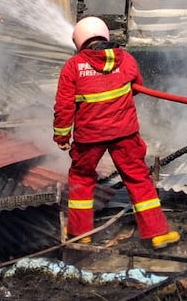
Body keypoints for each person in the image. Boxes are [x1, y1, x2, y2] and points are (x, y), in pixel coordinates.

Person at [53, 16, 180, 249]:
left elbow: (64, 106)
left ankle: (80, 233)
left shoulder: (73, 66)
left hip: (89, 137)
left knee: (81, 178)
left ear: (79, 40)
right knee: (138, 178)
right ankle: (157, 232)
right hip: (125, 133)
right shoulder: (126, 59)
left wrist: (62, 137)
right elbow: (136, 86)